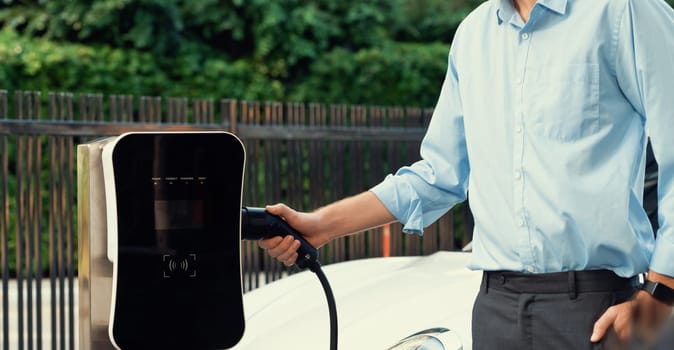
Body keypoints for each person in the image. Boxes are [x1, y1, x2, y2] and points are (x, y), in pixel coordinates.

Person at [258, 0, 674, 349]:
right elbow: (438, 175)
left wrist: (662, 293)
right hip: (494, 313)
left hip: (597, 312)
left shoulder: (625, 12)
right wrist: (320, 225)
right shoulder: (473, 35)